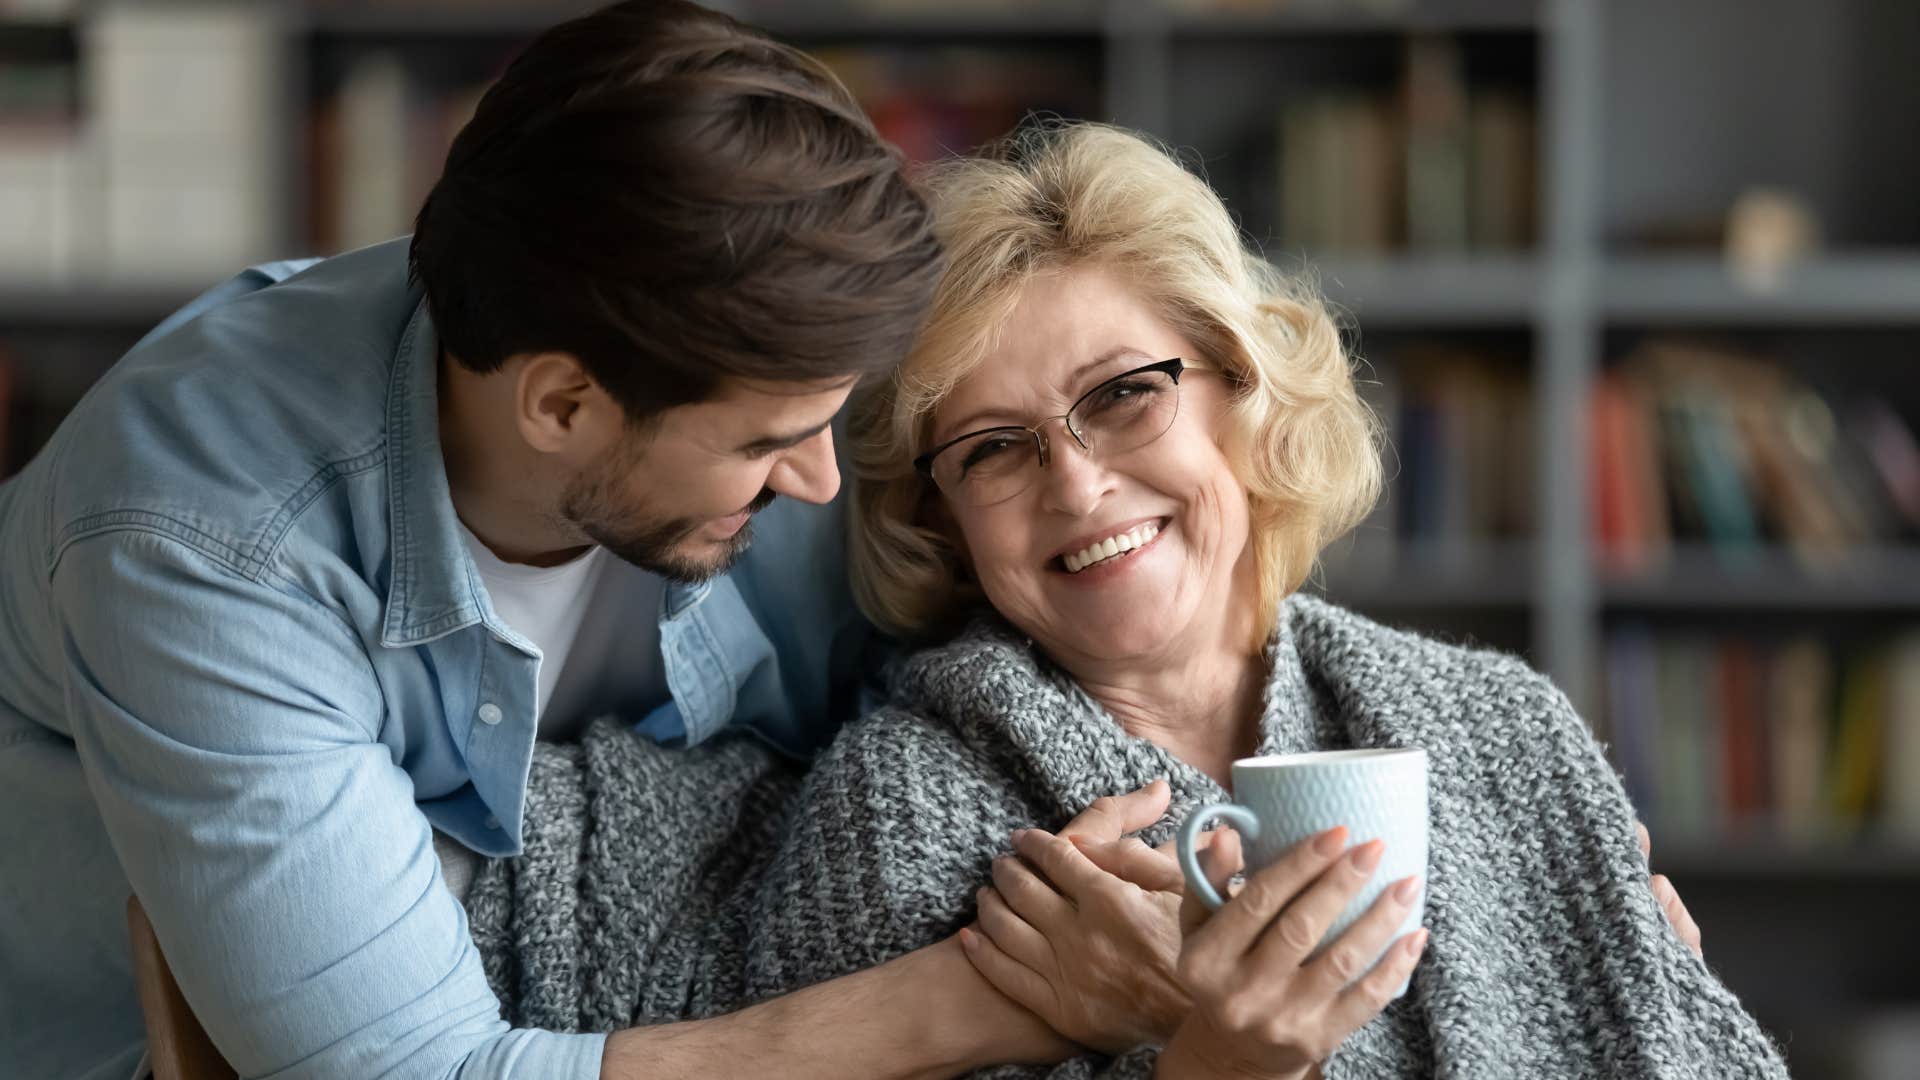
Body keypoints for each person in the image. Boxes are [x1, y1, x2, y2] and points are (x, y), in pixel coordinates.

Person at [463, 122, 1766, 1079]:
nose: (1078, 485)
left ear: (1241, 389)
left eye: (1126, 394)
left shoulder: (1502, 725)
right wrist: (1222, 1067)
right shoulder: (908, 812)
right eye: (994, 449)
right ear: (944, 522)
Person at [0, 3, 1120, 1078]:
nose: (824, 483)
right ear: (561, 405)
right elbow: (421, 1070)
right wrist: (990, 1002)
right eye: (767, 444)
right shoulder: (203, 548)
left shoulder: (727, 342)